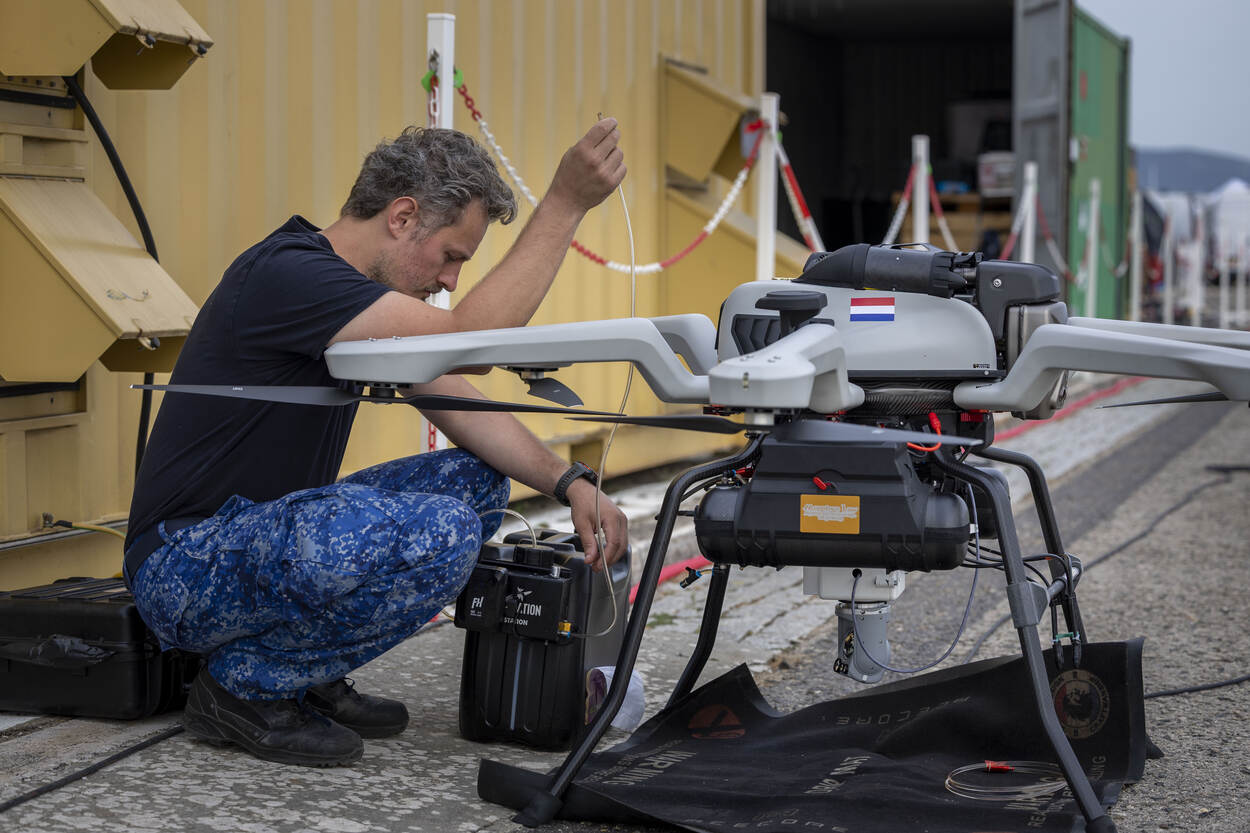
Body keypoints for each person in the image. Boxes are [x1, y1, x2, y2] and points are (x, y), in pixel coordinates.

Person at [123, 119, 630, 767]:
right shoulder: (288, 273)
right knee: (444, 531)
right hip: (183, 565)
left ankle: (304, 664)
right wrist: (564, 201)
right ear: (403, 216)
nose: (451, 281)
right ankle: (247, 685)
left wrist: (570, 481)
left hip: (255, 542)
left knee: (476, 485)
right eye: (451, 255)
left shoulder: (351, 300)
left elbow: (456, 395)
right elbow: (470, 343)